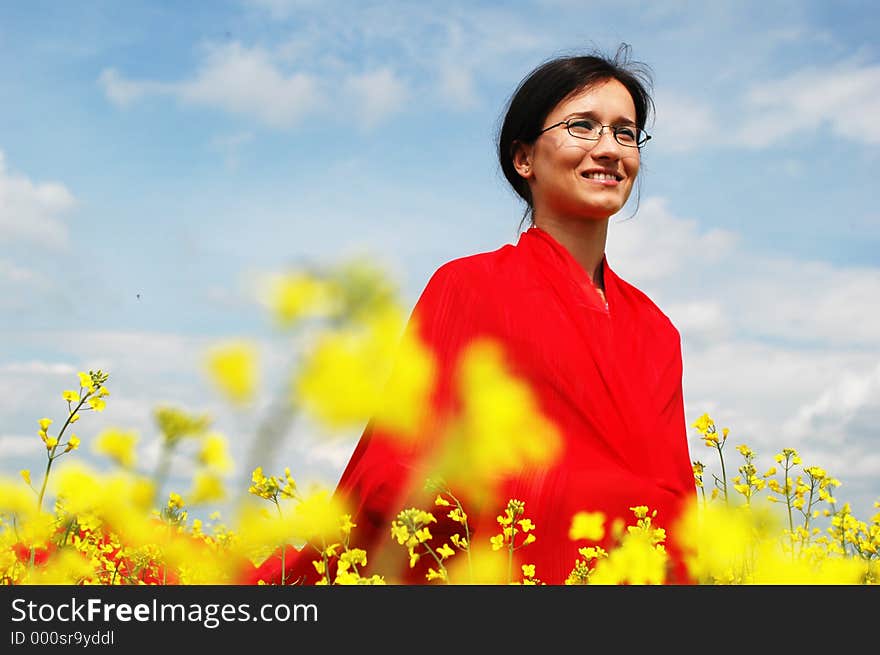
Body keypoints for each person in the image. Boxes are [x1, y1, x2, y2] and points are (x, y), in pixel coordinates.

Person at [248, 44, 696, 585]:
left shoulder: (656, 330)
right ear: (524, 158)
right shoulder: (469, 286)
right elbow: (400, 467)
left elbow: (677, 500)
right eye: (583, 126)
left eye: (626, 133)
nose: (609, 149)